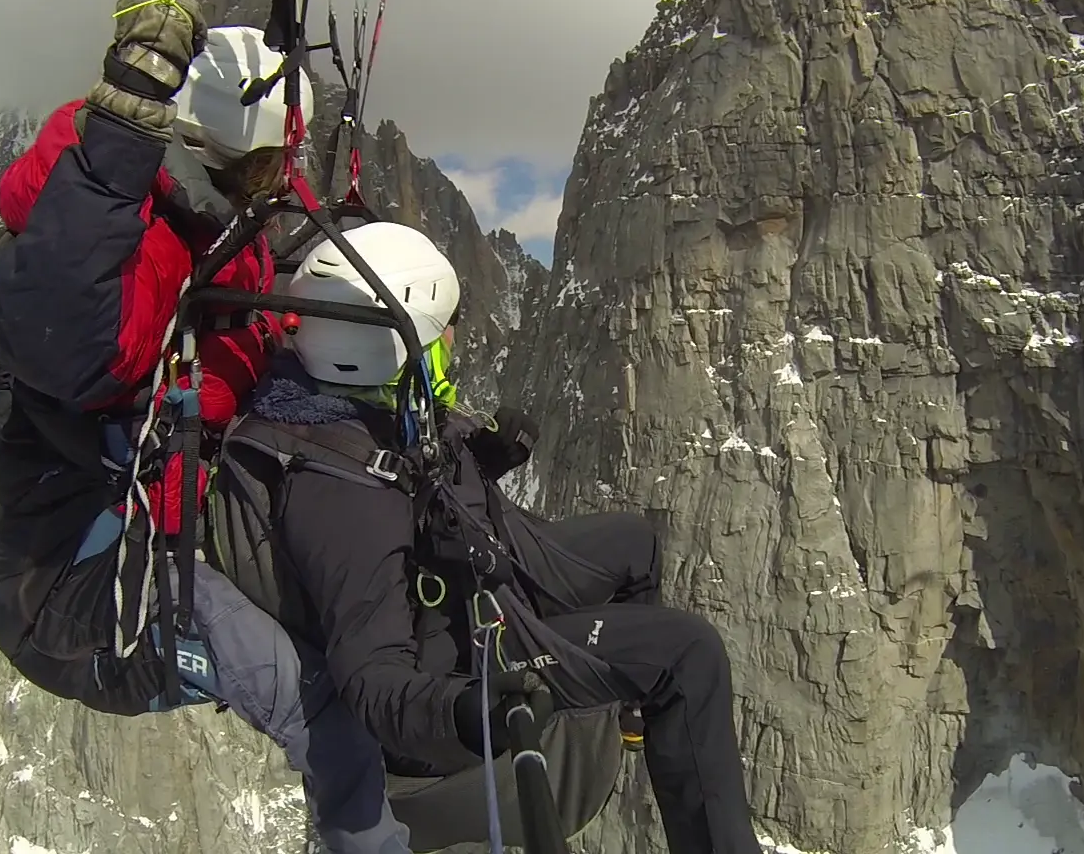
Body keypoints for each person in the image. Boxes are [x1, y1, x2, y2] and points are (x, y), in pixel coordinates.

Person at [0, 0, 412, 854]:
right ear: (233, 162)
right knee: (317, 702)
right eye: (276, 164)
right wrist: (127, 113)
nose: (286, 181)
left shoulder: (210, 219)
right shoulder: (140, 241)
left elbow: (251, 274)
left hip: (136, 525)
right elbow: (69, 346)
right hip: (76, 591)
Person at [211, 220, 764, 854]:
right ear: (388, 350)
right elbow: (372, 678)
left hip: (471, 577)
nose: (451, 338)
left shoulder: (356, 405)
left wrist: (484, 457)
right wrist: (470, 712)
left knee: (637, 544)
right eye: (440, 330)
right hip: (464, 659)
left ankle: (630, 714)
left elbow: (413, 493)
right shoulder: (342, 499)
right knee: (688, 653)